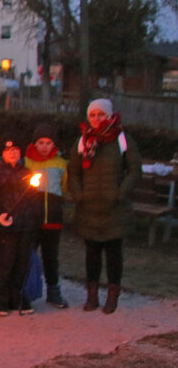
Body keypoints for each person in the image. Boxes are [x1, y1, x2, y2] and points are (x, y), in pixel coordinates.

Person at [68, 99, 141, 314]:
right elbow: (73, 171)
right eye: (93, 115)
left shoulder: (122, 139)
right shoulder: (82, 141)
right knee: (92, 254)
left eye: (101, 114)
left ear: (109, 115)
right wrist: (78, 194)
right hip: (89, 207)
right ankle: (92, 295)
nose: (96, 118)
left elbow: (135, 170)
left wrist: (120, 193)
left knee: (113, 253)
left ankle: (112, 295)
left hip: (114, 208)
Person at [0, 134, 39, 316]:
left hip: (25, 225)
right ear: (2, 153)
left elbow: (33, 199)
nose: (12, 154)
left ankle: (18, 298)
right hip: (5, 227)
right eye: (8, 151)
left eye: (15, 150)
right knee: (4, 264)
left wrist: (32, 218)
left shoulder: (26, 172)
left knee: (22, 263)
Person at [23, 123, 69, 309]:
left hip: (53, 217)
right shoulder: (26, 162)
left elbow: (64, 187)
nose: (44, 146)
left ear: (54, 144)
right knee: (29, 255)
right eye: (40, 142)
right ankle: (26, 290)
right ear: (34, 143)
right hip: (31, 217)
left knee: (51, 256)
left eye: (48, 143)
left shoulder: (60, 163)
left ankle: (53, 290)